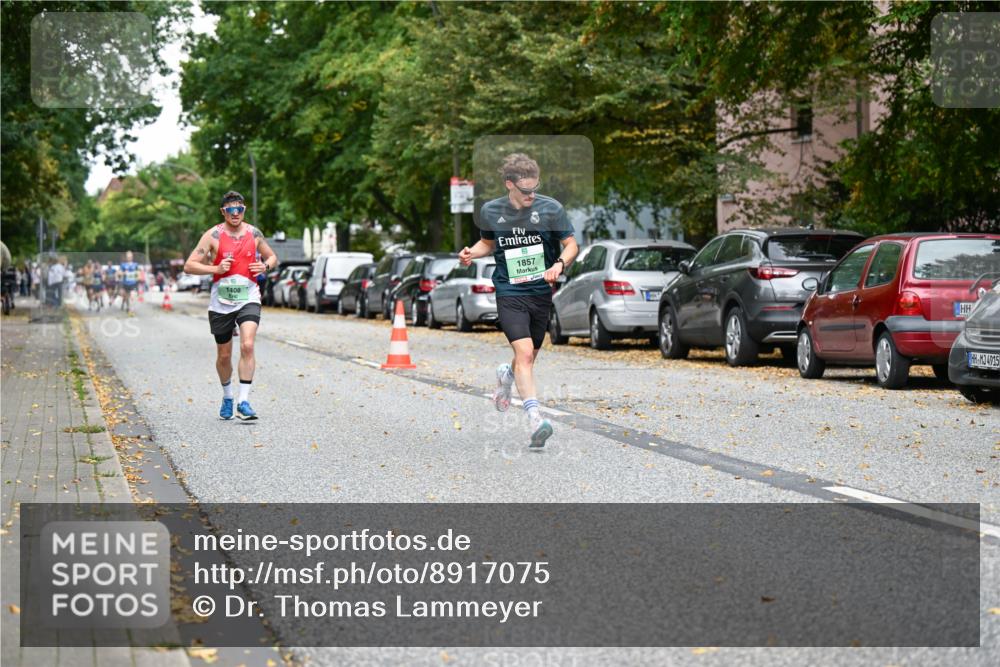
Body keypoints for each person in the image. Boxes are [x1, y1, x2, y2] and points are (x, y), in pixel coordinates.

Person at [458, 153, 578, 448]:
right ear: (508, 184)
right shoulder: (491, 211)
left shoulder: (551, 210)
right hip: (509, 292)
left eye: (534, 188)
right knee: (524, 354)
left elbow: (571, 244)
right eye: (525, 190)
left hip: (540, 293)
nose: (531, 195)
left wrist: (559, 265)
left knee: (528, 358)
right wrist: (471, 253)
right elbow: (488, 242)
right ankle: (536, 420)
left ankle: (506, 375)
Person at [183, 191, 277, 421]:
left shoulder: (254, 233)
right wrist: (215, 269)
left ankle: (244, 401)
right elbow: (189, 265)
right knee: (224, 356)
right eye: (231, 209)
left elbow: (272, 257)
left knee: (247, 345)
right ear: (223, 211)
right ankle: (228, 396)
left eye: (240, 209)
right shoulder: (212, 236)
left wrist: (265, 266)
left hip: (249, 297)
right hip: (221, 302)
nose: (236, 213)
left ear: (244, 210)